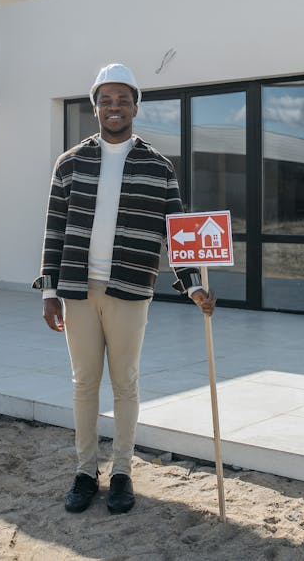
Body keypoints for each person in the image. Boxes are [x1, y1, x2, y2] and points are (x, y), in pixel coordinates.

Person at [34, 62, 216, 515]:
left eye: (123, 99)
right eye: (106, 99)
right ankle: (83, 471)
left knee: (125, 384)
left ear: (136, 105)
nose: (114, 107)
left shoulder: (158, 167)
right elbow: (53, 230)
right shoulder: (70, 163)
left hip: (131, 288)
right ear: (94, 106)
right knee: (83, 384)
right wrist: (49, 290)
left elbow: (178, 232)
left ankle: (121, 474)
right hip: (77, 288)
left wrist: (194, 287)